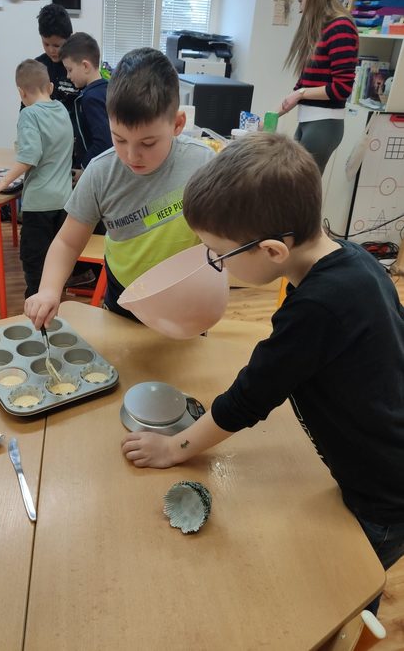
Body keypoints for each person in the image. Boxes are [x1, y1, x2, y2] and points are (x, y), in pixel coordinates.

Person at [121, 132, 404, 615]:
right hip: (386, 454)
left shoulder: (317, 307)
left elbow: (248, 399)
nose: (214, 263)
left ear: (272, 251)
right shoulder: (355, 261)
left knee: (346, 589)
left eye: (219, 254)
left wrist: (174, 447)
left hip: (382, 489)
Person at [24, 47, 215, 326]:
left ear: (177, 124)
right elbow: (67, 242)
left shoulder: (204, 163)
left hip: (187, 296)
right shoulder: (101, 172)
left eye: (148, 143)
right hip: (126, 295)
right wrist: (49, 290)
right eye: (119, 139)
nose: (132, 155)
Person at [0, 59, 73, 298]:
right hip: (65, 200)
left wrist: (3, 182)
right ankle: (56, 300)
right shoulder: (61, 109)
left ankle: (37, 306)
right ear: (50, 87)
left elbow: (29, 156)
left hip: (39, 203)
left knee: (35, 261)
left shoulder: (29, 114)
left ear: (21, 92)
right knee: (58, 258)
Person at [278, 0, 359, 174]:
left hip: (323, 124)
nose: (300, 8)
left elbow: (342, 88)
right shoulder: (321, 29)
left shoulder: (340, 27)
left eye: (301, 0)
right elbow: (303, 84)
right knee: (295, 185)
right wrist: (270, 117)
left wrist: (301, 93)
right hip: (309, 121)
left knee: (302, 187)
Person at [59, 31, 112, 181]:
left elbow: (103, 140)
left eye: (70, 69)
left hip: (95, 173)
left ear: (85, 66)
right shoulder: (107, 88)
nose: (68, 76)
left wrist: (84, 168)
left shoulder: (90, 98)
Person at [34, 2, 78, 117]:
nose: (51, 50)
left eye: (56, 45)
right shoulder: (37, 67)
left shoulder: (78, 66)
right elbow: (27, 105)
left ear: (69, 38)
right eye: (46, 44)